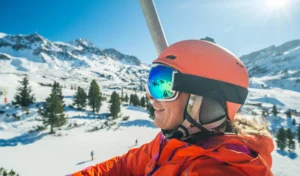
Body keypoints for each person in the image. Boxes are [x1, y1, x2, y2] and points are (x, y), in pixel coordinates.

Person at [71, 40, 274, 176]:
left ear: (203, 99)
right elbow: (124, 166)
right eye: (152, 82)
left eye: (163, 85)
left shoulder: (216, 168)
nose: (150, 96)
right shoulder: (169, 143)